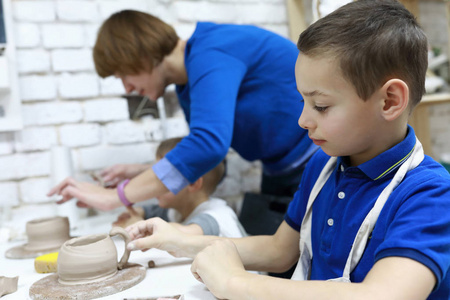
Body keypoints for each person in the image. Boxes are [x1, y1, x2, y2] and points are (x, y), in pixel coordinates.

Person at [123, 1, 450, 299]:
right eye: (303, 101)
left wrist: (235, 282)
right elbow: (280, 249)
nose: (303, 120)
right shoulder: (324, 165)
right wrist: (178, 240)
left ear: (390, 101)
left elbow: (384, 296)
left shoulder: (429, 194)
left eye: (320, 106)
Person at [47, 9, 317, 217]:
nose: (127, 87)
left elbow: (208, 147)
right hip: (281, 170)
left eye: (124, 74)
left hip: (321, 159)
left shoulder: (211, 52)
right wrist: (143, 173)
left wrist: (116, 197)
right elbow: (210, 164)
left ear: (141, 55)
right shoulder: (187, 86)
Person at [113, 137, 246, 238]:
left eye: (162, 179)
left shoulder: (215, 216)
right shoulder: (180, 210)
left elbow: (179, 234)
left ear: (193, 183)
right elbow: (153, 211)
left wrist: (138, 225)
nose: (154, 187)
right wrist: (136, 212)